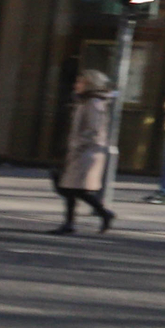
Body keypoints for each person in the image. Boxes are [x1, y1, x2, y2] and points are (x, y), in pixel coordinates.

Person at [52, 70, 117, 234]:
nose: (76, 86)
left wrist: (78, 145)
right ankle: (72, 222)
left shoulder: (94, 103)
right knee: (70, 188)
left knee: (73, 189)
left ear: (90, 84)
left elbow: (93, 130)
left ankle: (101, 214)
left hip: (87, 152)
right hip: (81, 152)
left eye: (80, 83)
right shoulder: (85, 101)